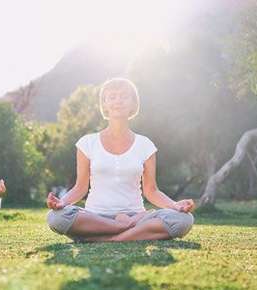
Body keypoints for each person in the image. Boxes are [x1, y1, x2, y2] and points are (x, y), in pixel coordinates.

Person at [46, 78, 194, 242]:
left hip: (136, 216)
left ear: (133, 103)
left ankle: (105, 239)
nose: (118, 101)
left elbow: (151, 191)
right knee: (55, 217)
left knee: (184, 220)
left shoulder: (145, 145)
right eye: (112, 96)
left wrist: (175, 206)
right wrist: (62, 203)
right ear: (105, 104)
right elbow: (80, 188)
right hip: (96, 217)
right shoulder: (87, 143)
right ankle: (125, 230)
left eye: (124, 96)